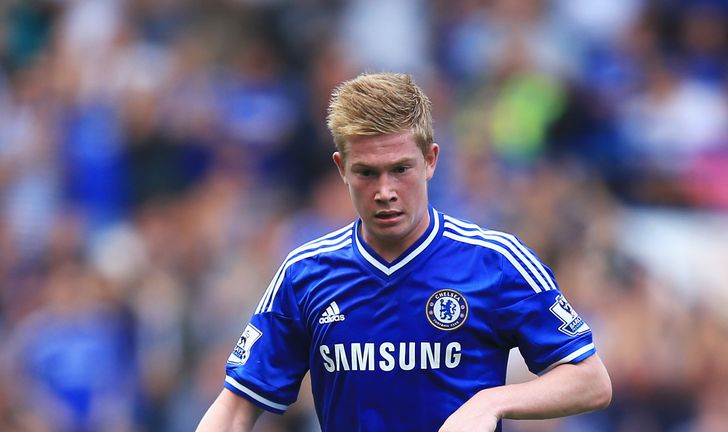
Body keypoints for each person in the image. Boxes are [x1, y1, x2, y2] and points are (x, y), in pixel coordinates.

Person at [196, 72, 612, 432]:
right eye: (366, 173)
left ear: (430, 161)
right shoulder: (306, 273)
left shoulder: (495, 261)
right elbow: (234, 409)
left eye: (400, 169)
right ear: (341, 168)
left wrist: (491, 402)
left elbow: (590, 380)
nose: (385, 192)